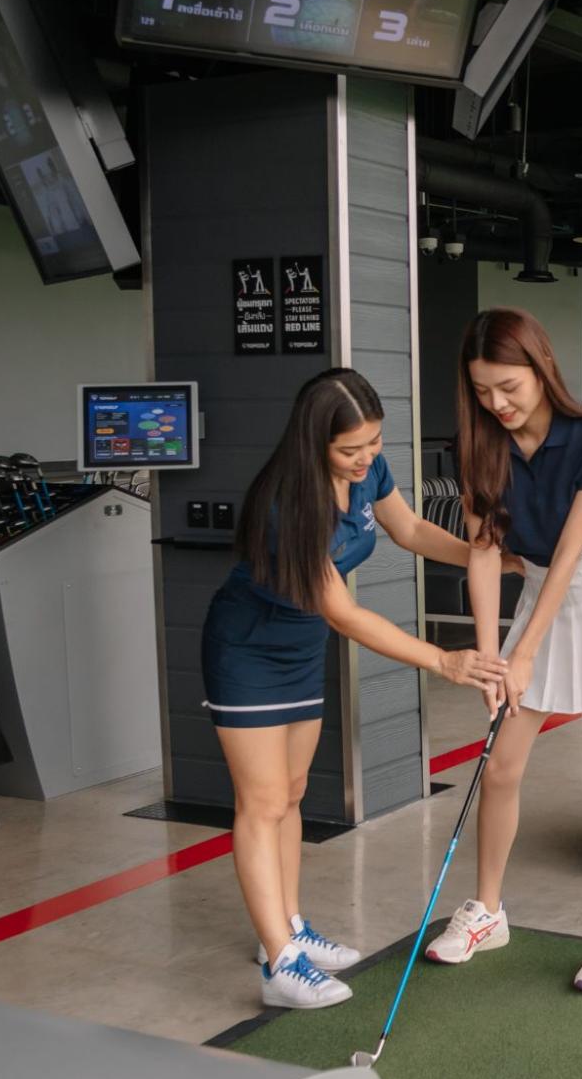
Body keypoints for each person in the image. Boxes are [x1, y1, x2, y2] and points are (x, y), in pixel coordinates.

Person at [204, 369, 507, 1010]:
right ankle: (279, 966)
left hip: (300, 648)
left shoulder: (368, 471)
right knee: (261, 802)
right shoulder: (287, 503)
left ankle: (286, 928)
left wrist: (488, 555)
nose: (366, 456)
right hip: (248, 651)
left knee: (290, 793)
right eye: (351, 449)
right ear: (314, 442)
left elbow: (412, 531)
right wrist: (443, 660)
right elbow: (343, 613)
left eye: (374, 441)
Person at [424, 309, 582, 993]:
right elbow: (484, 553)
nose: (497, 403)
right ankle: (487, 910)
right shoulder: (478, 446)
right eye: (482, 390)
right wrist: (491, 657)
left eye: (508, 386)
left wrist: (525, 652)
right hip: (538, 596)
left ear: (541, 369)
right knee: (501, 767)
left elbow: (569, 554)